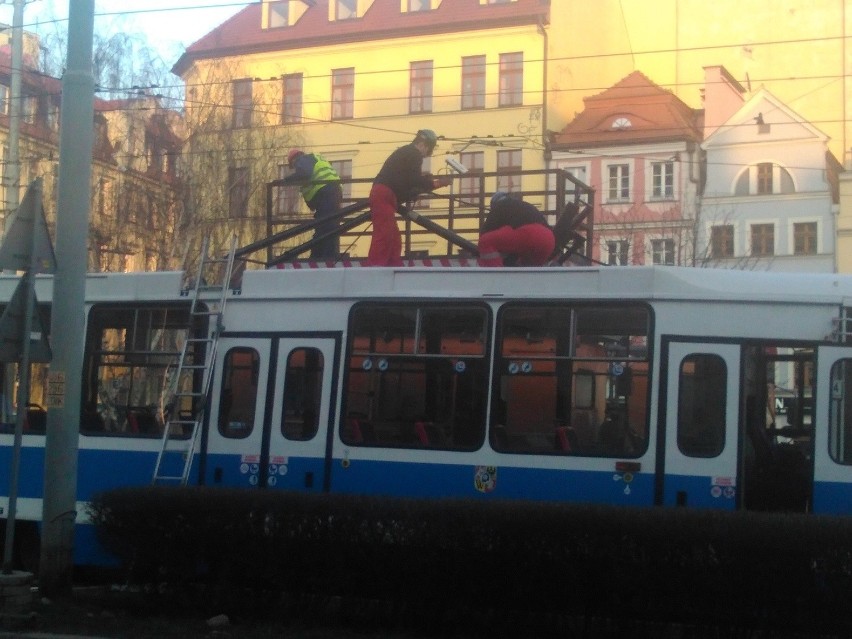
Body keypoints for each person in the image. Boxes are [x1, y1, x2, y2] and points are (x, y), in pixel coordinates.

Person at [366, 129, 452, 266]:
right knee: (384, 235)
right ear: (424, 145)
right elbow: (413, 179)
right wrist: (437, 183)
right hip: (384, 195)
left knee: (392, 237)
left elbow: (406, 179)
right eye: (428, 151)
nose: (425, 156)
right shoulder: (414, 154)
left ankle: (392, 265)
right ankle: (376, 268)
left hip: (383, 194)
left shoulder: (405, 152)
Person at [280, 148, 343, 260]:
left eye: (293, 165)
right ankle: (321, 255)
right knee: (327, 225)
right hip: (332, 192)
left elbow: (304, 174)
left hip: (326, 192)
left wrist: (286, 180)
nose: (295, 168)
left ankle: (325, 256)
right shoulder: (314, 159)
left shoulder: (303, 159)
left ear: (294, 159)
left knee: (326, 226)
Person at [478, 192, 555, 266]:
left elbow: (485, 231)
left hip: (530, 234)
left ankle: (497, 276)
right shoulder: (523, 205)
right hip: (549, 240)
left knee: (484, 241)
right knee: (526, 269)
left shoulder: (499, 205)